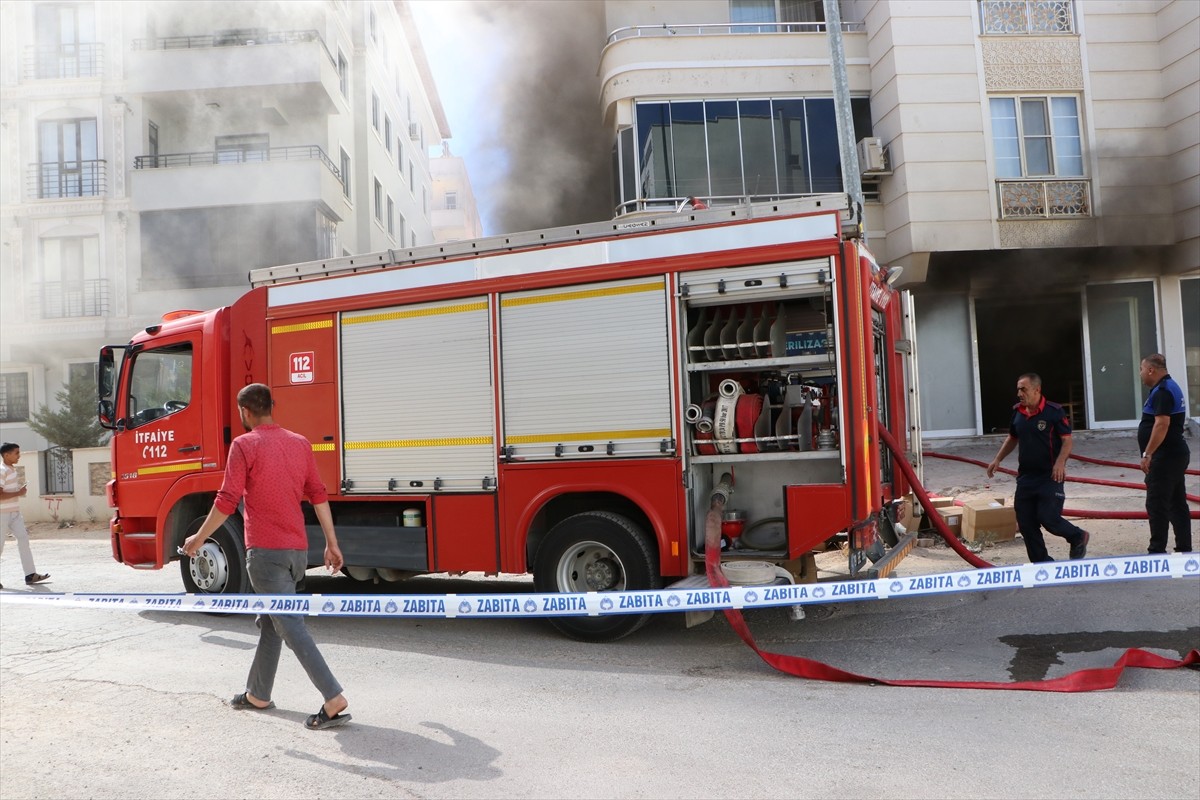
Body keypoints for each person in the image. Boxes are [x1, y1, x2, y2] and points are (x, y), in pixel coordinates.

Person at [182, 384, 350, 730]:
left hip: (265, 553)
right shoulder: (300, 443)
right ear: (272, 406)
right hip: (297, 552)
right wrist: (332, 544)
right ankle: (258, 694)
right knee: (272, 620)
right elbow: (318, 494)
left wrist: (198, 539)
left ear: (245, 411)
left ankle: (333, 698)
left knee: (288, 623)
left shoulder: (244, 445)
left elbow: (227, 500)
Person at [986, 373, 1089, 563]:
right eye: (1018, 389)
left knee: (1048, 517)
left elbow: (1067, 441)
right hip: (1026, 478)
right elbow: (1012, 437)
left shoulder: (1053, 412)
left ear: (1037, 390)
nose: (1019, 393)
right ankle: (1041, 563)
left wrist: (1060, 463)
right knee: (1026, 523)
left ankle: (1077, 536)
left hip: (1049, 476)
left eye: (1023, 389)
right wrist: (997, 459)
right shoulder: (1018, 412)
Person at [1137, 354, 1192, 554]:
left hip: (1166, 457)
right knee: (1177, 503)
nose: (1141, 374)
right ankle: (1184, 549)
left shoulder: (1162, 391)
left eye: (1142, 369)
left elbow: (1162, 424)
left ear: (1151, 370)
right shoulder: (1169, 386)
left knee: (1157, 504)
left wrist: (1148, 453)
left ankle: (1157, 552)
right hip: (1174, 455)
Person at [0, 443, 50, 590]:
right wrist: (19, 493)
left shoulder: (11, 470)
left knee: (23, 539)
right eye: (16, 453)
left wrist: (17, 492)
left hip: (14, 513)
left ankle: (30, 574)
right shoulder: (2, 470)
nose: (19, 455)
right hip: (2, 514)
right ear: (6, 455)